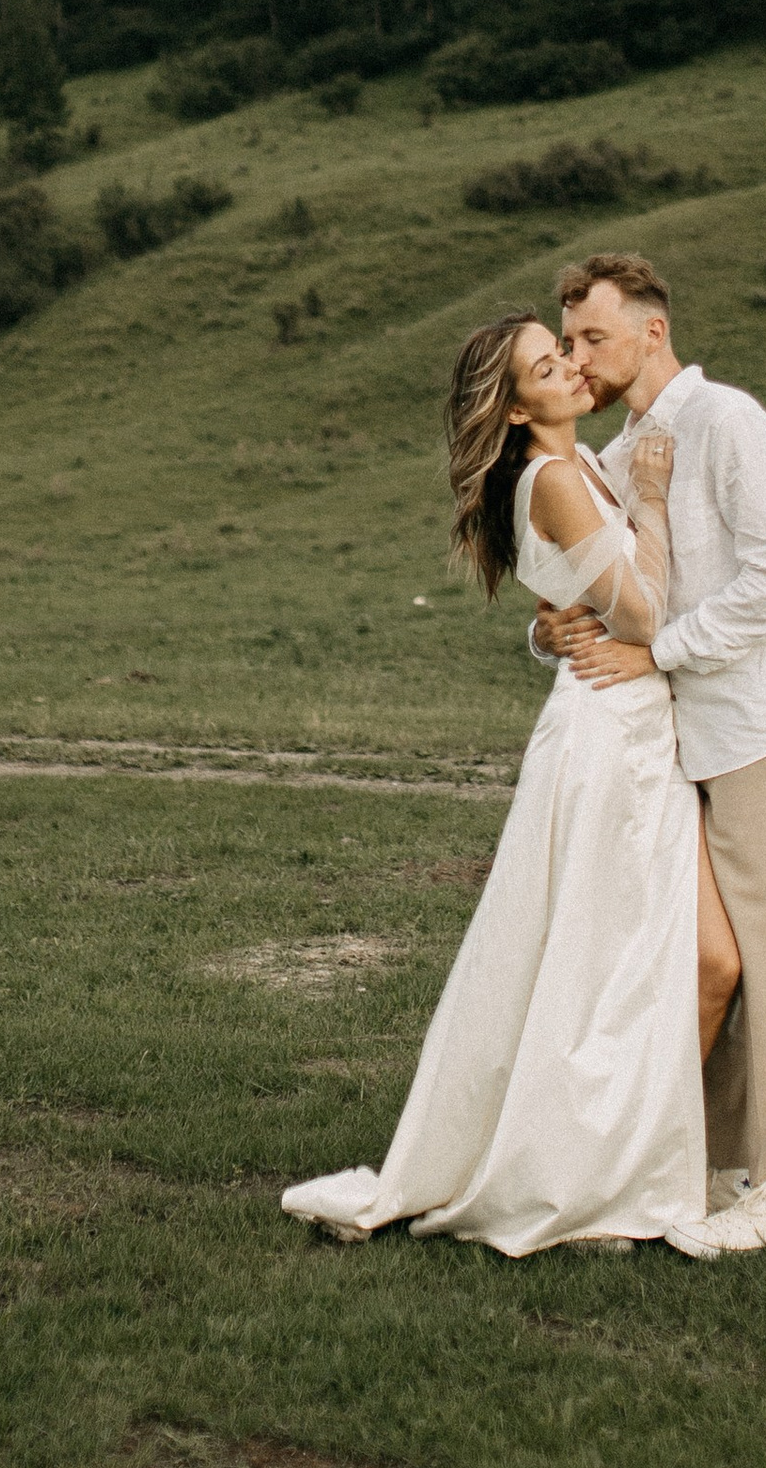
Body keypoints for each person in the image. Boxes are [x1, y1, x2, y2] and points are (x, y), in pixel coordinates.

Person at [281, 309, 728, 1255]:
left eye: (562, 351)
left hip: (629, 731)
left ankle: (611, 1162)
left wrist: (548, 624)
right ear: (517, 407)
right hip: (612, 738)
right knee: (608, 964)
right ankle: (584, 1174)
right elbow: (643, 611)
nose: (568, 366)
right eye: (544, 365)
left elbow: (575, 600)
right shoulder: (561, 477)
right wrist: (650, 502)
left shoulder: (576, 469)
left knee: (620, 965)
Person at [541, 254, 766, 1258]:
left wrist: (655, 650)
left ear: (651, 331)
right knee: (704, 959)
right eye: (568, 339)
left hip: (759, 727)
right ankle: (710, 1166)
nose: (577, 356)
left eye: (592, 337)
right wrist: (548, 634)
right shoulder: (624, 455)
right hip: (674, 748)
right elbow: (594, 586)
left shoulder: (731, 423)